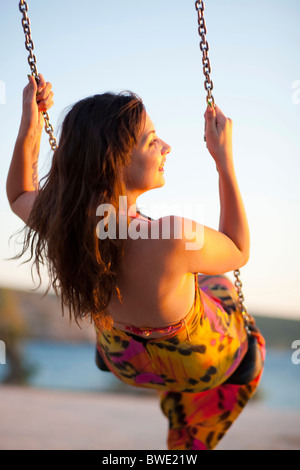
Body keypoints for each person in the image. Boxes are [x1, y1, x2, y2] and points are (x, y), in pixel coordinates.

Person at [6, 74, 265, 450]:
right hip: (203, 369)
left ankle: (116, 341)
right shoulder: (173, 238)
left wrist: (30, 125)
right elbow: (239, 249)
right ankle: (241, 361)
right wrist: (224, 162)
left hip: (123, 364)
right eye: (151, 140)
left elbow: (18, 196)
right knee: (219, 280)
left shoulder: (66, 222)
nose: (166, 147)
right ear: (115, 161)